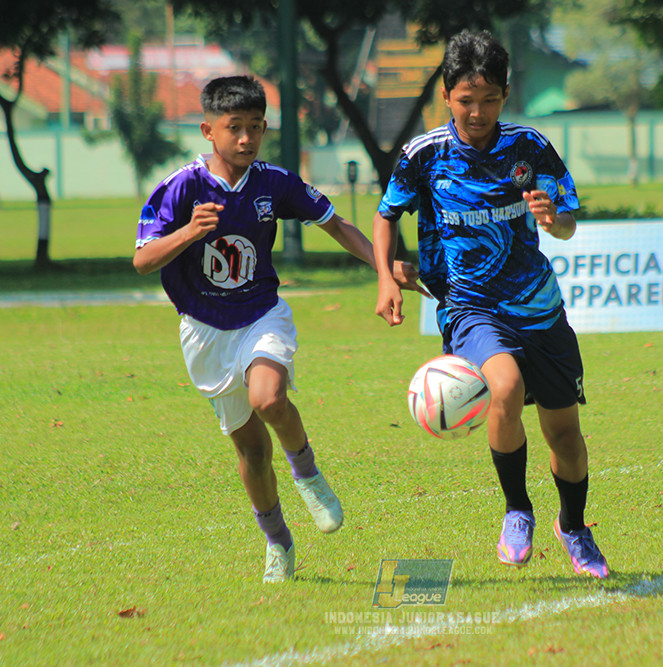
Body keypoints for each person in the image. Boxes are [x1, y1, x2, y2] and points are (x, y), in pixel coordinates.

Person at [134, 75, 423, 583]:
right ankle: (279, 543)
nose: (245, 139)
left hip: (262, 314)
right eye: (233, 128)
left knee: (269, 398)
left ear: (264, 129)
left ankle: (308, 474)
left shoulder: (275, 182)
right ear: (208, 130)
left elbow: (337, 225)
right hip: (204, 331)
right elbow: (142, 260)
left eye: (254, 128)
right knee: (250, 449)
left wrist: (385, 269)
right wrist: (189, 231)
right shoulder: (181, 187)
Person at [372, 31, 608, 578]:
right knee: (502, 385)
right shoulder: (424, 155)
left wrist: (555, 218)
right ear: (446, 97)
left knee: (566, 437)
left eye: (489, 100)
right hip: (468, 306)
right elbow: (386, 215)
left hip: (539, 309)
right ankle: (517, 509)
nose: (477, 112)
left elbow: (569, 223)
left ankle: (573, 526)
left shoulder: (530, 146)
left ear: (505, 94)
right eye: (465, 100)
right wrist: (385, 278)